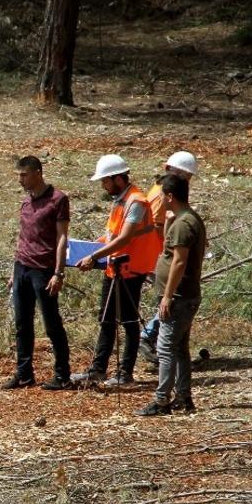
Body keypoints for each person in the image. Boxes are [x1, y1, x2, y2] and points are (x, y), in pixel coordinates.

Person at [72, 154, 163, 388]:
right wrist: (94, 245)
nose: (103, 185)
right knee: (107, 320)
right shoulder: (122, 200)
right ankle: (98, 370)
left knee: (129, 322)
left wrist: (93, 256)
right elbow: (113, 235)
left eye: (105, 181)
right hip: (116, 268)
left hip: (131, 269)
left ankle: (125, 373)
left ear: (118, 178)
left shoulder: (137, 202)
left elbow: (125, 238)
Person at [136, 175, 206, 416]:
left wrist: (167, 296)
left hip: (178, 298)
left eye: (161, 194)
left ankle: (162, 400)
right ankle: (184, 397)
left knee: (165, 347)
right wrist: (167, 222)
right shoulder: (183, 220)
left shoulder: (184, 224)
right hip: (184, 296)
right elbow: (169, 247)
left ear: (169, 196)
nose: (157, 199)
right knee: (179, 348)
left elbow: (178, 261)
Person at [2, 155, 72, 390]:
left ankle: (62, 375)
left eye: (24, 175)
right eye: (19, 175)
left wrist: (58, 272)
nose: (21, 180)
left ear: (38, 173)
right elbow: (22, 236)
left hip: (43, 270)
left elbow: (63, 237)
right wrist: (14, 270)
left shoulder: (58, 200)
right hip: (22, 267)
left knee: (51, 323)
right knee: (22, 323)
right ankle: (24, 374)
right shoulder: (25, 202)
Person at [139, 151, 197, 363]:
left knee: (170, 299)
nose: (188, 182)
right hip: (160, 256)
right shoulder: (161, 195)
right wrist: (169, 248)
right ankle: (149, 338)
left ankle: (157, 340)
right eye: (186, 177)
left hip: (163, 254)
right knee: (171, 298)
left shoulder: (162, 191)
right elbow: (155, 225)